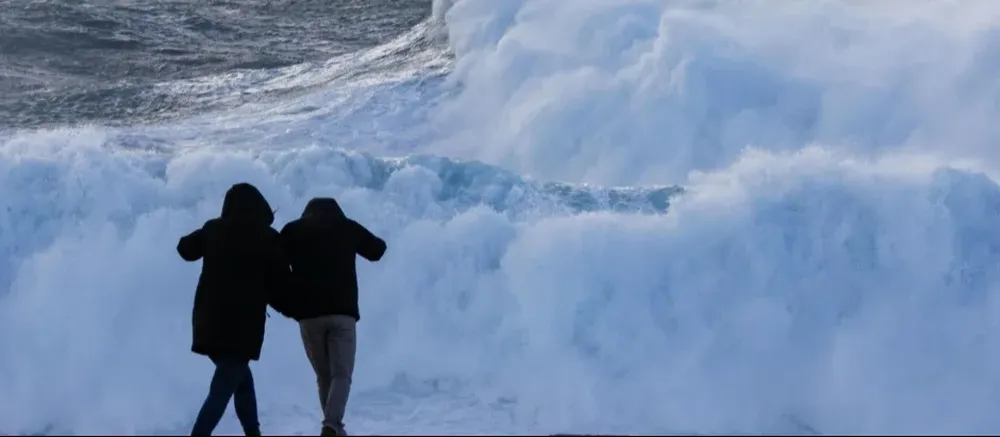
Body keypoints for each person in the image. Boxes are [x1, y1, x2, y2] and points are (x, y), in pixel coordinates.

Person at [177, 182, 302, 436]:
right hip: (242, 325)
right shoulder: (267, 237)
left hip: (208, 321)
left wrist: (208, 234)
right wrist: (300, 310)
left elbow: (185, 249)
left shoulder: (213, 229)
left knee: (240, 379)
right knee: (224, 386)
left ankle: (253, 434)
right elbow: (281, 286)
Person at [280, 197, 387, 436]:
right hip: (342, 313)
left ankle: (333, 427)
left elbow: (275, 263)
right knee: (342, 374)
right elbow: (377, 250)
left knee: (323, 376)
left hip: (308, 315)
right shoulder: (347, 226)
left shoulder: (293, 230)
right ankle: (331, 426)